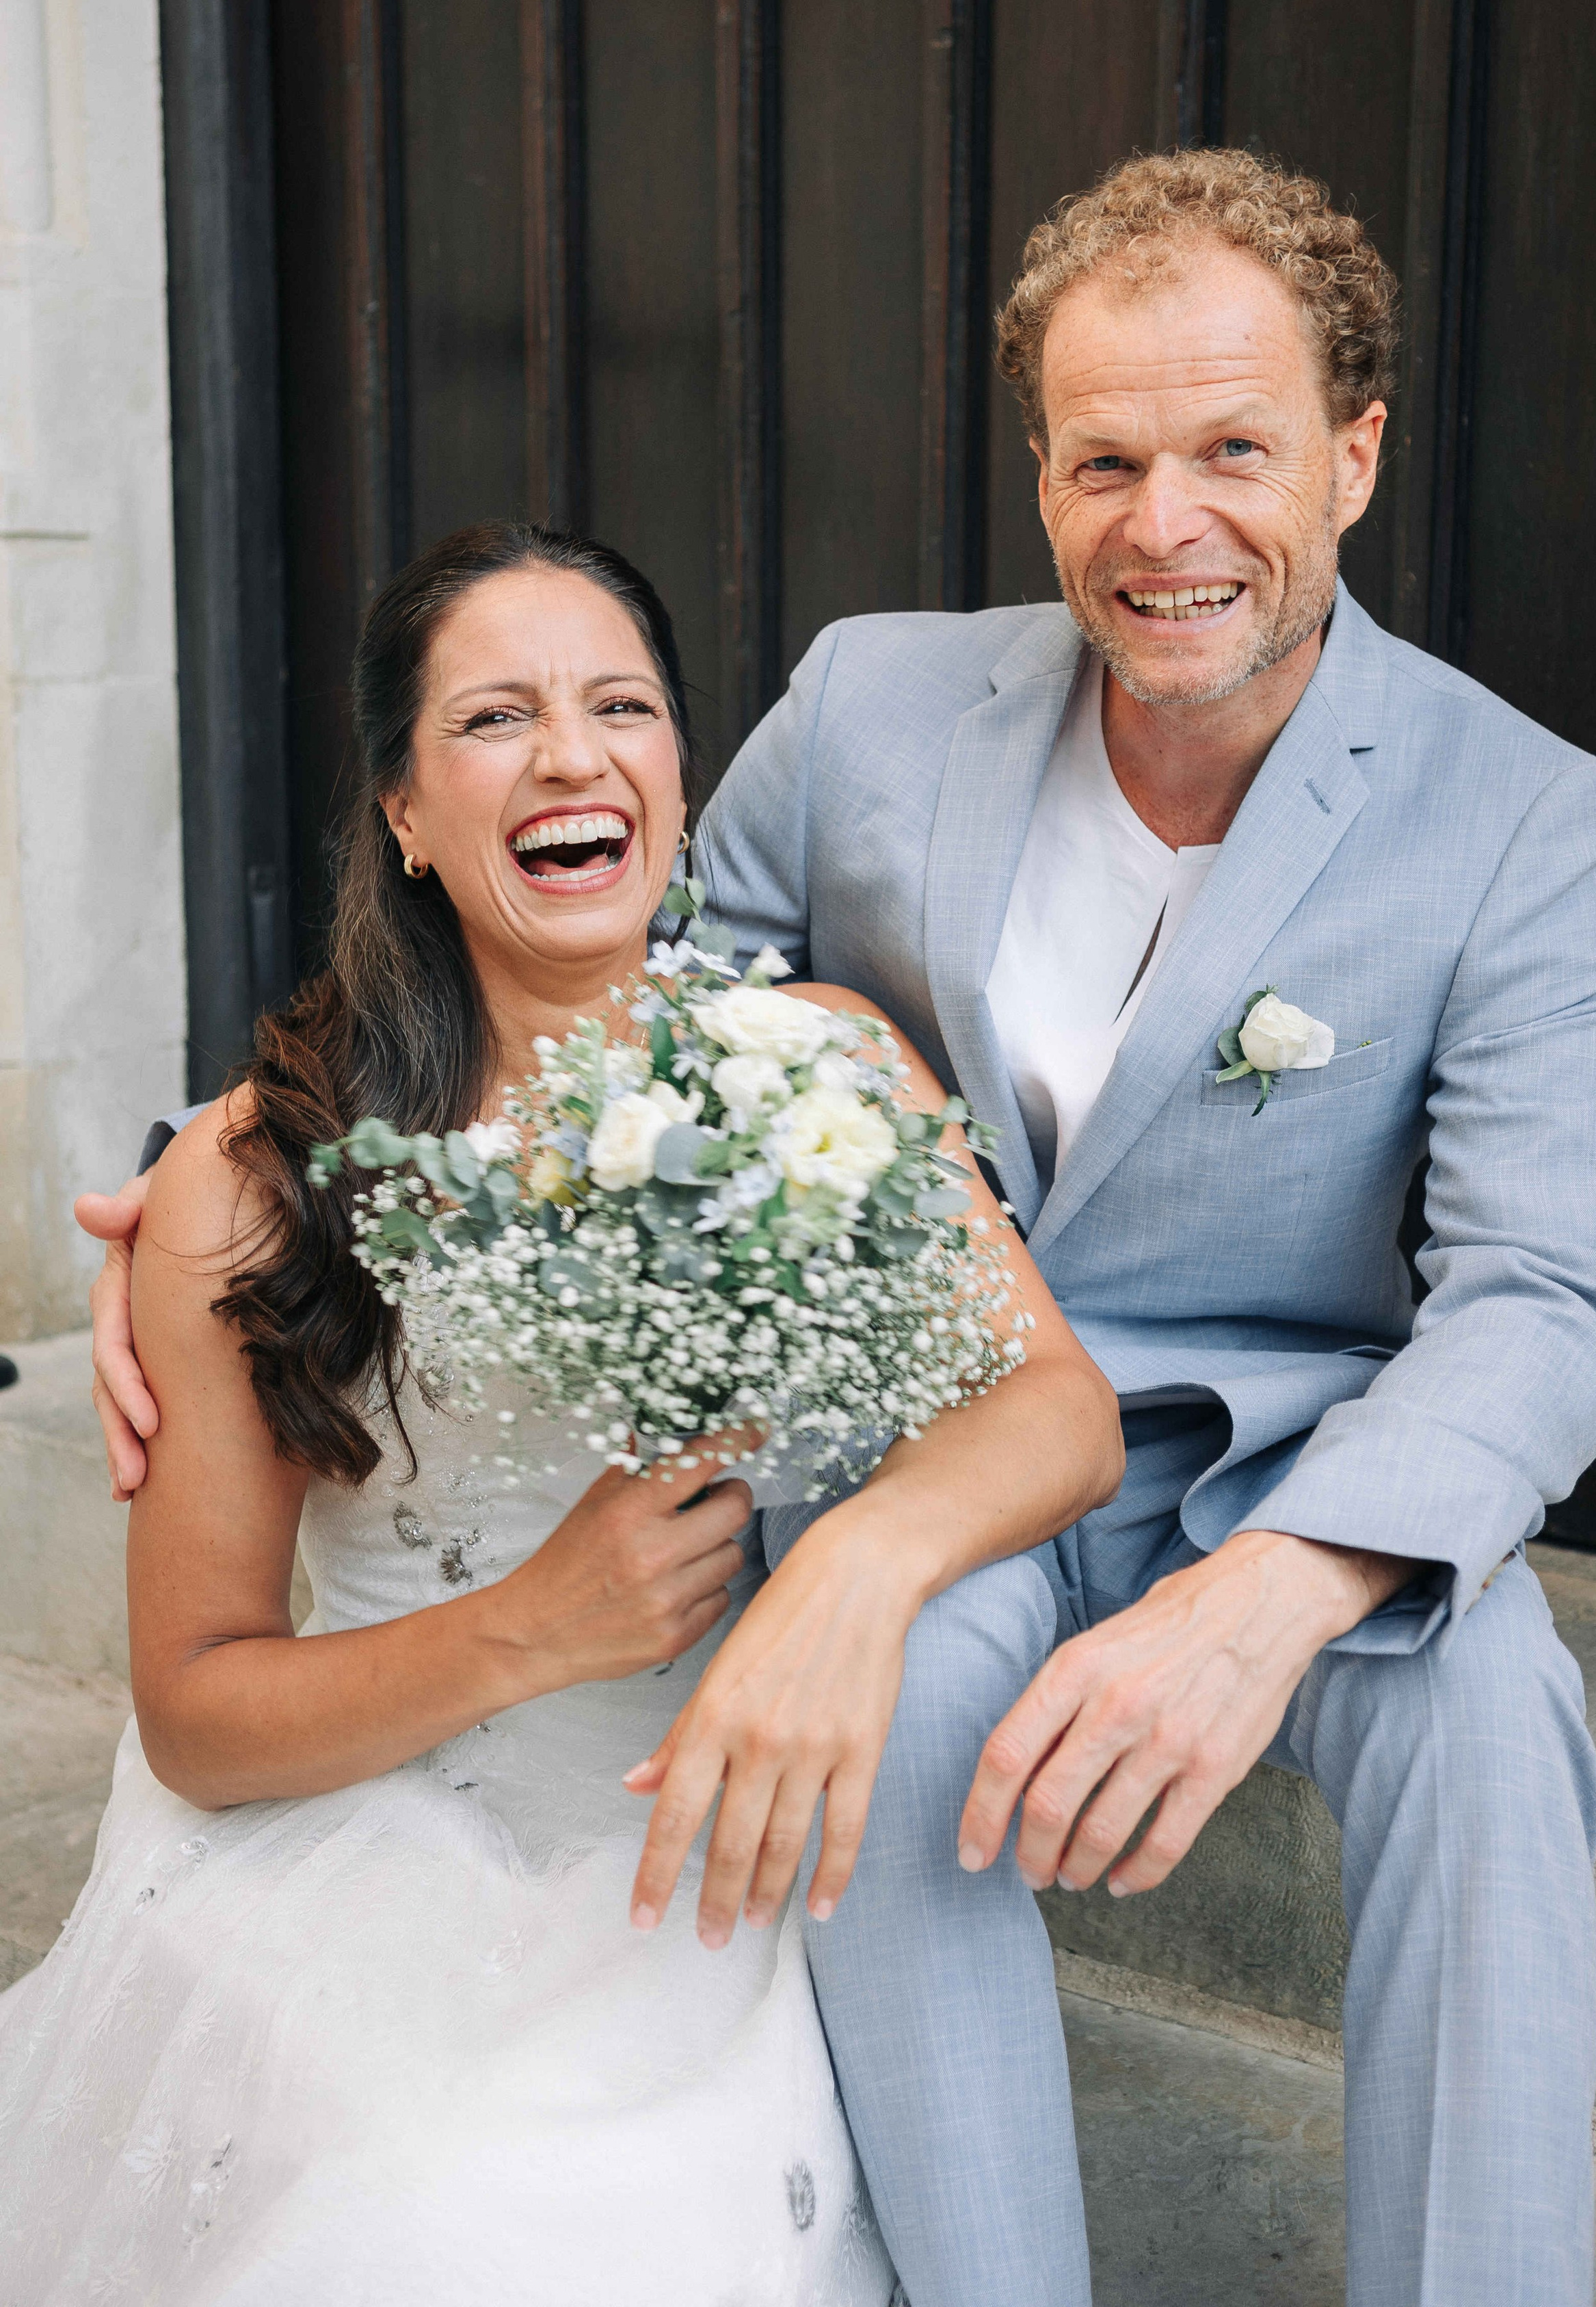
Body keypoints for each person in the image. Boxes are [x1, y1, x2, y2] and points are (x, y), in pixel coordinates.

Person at [84, 147, 1596, 2307]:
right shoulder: (876, 706)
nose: (1164, 523)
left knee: (1493, 1716)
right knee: (889, 1702)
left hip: (1308, 1469)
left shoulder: (1519, 813)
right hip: (925, 1442)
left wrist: (1281, 1589)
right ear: (1041, 470)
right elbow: (597, 1003)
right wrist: (229, 1205)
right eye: (1104, 458)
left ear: (1356, 457)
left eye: (1234, 451)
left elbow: (1551, 1295)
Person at [5, 523, 1119, 2305]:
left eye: (623, 706)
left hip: (695, 1852)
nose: (575, 756)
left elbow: (1056, 1409)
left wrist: (848, 1577)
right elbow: (201, 1710)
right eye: (497, 720)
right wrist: (532, 1627)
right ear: (404, 811)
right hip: (359, 1839)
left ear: (677, 769)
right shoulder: (253, 1173)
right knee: (445, 2219)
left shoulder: (814, 1060)